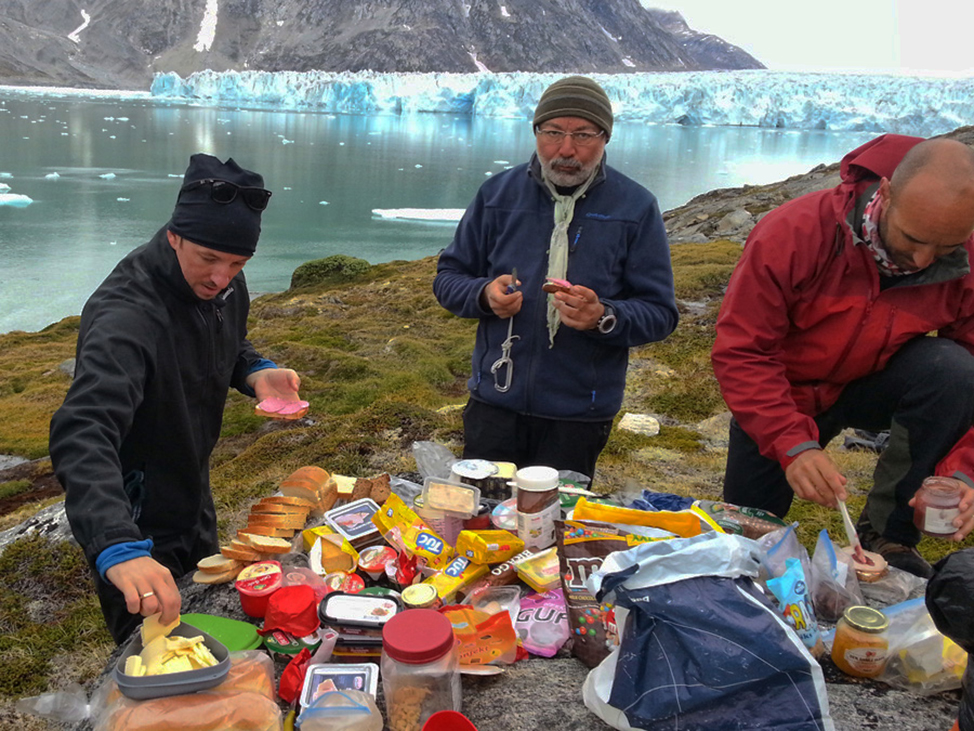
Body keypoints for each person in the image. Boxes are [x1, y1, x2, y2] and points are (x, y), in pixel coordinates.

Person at [50, 154, 304, 643]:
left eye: (237, 264)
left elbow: (223, 341)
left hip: (193, 493)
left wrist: (256, 371)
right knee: (152, 654)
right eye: (208, 259)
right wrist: (118, 544)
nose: (221, 277)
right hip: (135, 513)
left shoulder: (222, 280)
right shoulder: (127, 317)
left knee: (210, 628)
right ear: (174, 235)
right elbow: (83, 430)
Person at [711, 134, 974, 578]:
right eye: (912, 237)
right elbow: (744, 351)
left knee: (954, 370)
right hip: (785, 391)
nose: (923, 259)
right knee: (749, 536)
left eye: (945, 247)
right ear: (886, 193)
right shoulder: (795, 231)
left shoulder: (965, 250)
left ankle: (887, 531)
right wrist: (793, 445)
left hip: (870, 382)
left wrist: (963, 474)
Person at [433, 76, 679, 480]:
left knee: (555, 529)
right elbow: (449, 277)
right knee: (483, 523)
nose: (566, 149)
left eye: (583, 134)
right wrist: (483, 295)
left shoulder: (634, 207)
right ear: (536, 133)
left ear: (605, 138)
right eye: (553, 133)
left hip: (579, 414)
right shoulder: (498, 196)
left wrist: (604, 317)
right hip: (495, 403)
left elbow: (660, 313)